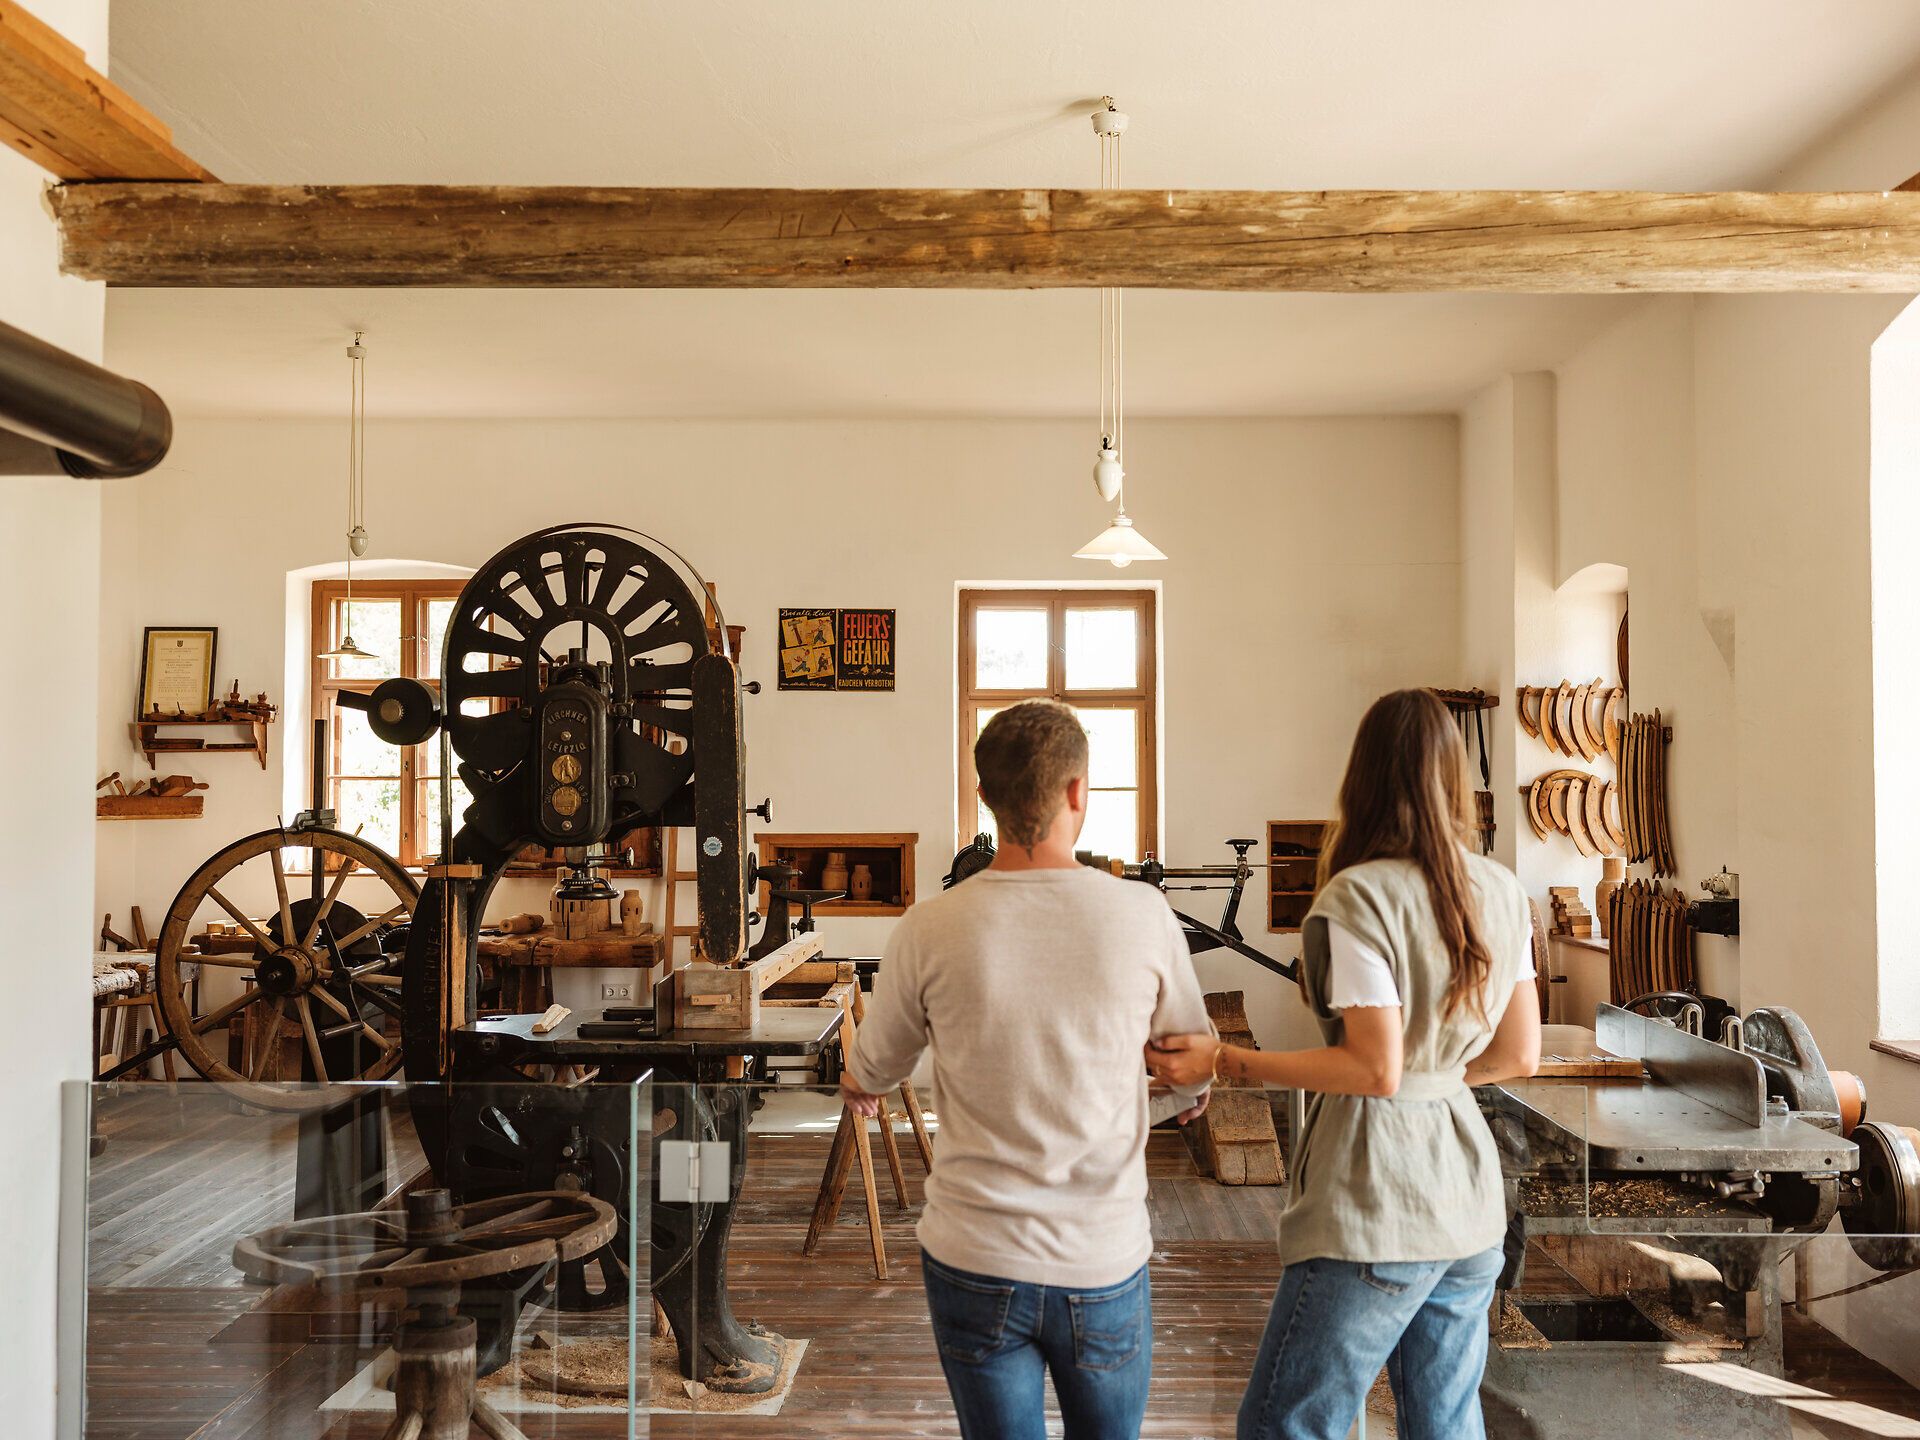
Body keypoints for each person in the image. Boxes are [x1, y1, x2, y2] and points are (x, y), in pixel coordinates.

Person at [1146, 688, 1542, 1440]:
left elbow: (1373, 1070)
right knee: (1446, 1425)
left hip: (1377, 1201)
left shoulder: (1358, 897)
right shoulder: (1502, 891)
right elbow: (1519, 1052)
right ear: (1455, 780)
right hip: (1468, 1202)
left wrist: (1225, 1059)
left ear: (1360, 778)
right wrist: (1438, 1078)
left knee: (1288, 1424)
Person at [842, 699, 1213, 1440]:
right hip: (1100, 1256)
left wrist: (862, 1085)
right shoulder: (1143, 915)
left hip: (974, 1255)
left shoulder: (929, 925)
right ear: (1079, 792)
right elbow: (1191, 1070)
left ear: (985, 796)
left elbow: (871, 1069)